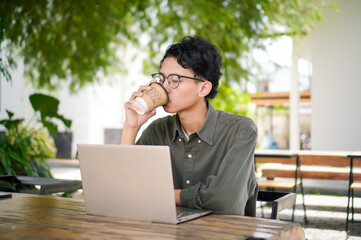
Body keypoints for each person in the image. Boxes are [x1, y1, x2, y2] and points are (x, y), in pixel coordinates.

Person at [121, 36, 258, 215]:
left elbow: (225, 200)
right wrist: (131, 127)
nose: (164, 87)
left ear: (203, 89)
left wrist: (162, 196)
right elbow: (124, 189)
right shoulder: (157, 130)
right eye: (161, 78)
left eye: (175, 79)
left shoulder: (241, 130)